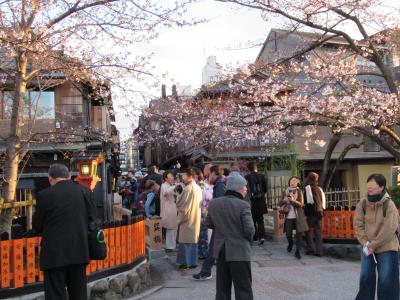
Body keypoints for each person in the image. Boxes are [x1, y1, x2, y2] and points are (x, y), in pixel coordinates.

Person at [32, 164, 93, 300]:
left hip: (54, 254)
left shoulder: (44, 195)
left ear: (50, 178)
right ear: (69, 176)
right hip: (79, 250)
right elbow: (91, 220)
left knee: (55, 295)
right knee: (79, 295)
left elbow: (37, 226)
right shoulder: (85, 192)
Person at [205, 173, 255, 300]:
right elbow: (249, 230)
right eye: (244, 186)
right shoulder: (243, 205)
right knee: (243, 288)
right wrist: (248, 241)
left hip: (221, 250)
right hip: (239, 251)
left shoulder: (214, 203)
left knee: (222, 289)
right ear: (237, 187)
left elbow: (208, 223)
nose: (246, 189)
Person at [354, 173, 399, 300]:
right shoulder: (362, 203)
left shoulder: (389, 205)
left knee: (387, 280)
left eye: (372, 187)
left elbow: (389, 229)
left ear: (381, 187)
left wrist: (374, 244)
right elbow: (358, 225)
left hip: (387, 247)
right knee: (366, 278)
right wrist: (366, 243)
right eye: (368, 186)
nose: (369, 189)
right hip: (367, 247)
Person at [193, 165, 226, 280]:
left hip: (221, 222)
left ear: (213, 173)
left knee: (214, 247)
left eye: (209, 174)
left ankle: (206, 272)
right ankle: (206, 271)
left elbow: (220, 205)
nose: (208, 177)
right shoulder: (221, 184)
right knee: (215, 247)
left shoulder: (220, 185)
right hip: (222, 222)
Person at [176, 168, 203, 269]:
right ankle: (193, 262)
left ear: (189, 176)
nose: (183, 177)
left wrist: (178, 196)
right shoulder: (197, 187)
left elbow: (182, 204)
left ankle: (186, 262)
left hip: (188, 217)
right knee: (192, 240)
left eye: (184, 175)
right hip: (196, 215)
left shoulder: (188, 189)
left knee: (186, 240)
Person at [278, 176, 308, 259]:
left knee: (299, 234)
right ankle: (290, 243)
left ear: (297, 182)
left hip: (298, 216)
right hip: (289, 216)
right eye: (292, 180)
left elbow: (301, 204)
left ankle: (297, 251)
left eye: (295, 181)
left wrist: (292, 201)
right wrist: (284, 200)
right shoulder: (286, 191)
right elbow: (279, 203)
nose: (293, 182)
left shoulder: (299, 191)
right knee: (288, 233)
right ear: (289, 182)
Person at [304, 172, 326, 257]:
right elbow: (322, 201)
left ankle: (311, 249)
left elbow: (307, 202)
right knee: (318, 232)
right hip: (320, 212)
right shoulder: (319, 188)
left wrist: (305, 213)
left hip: (311, 213)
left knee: (308, 230)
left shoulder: (308, 188)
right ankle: (319, 251)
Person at [245, 162, 267, 245]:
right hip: (261, 200)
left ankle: (254, 237)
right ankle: (262, 237)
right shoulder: (262, 176)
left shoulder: (247, 177)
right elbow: (265, 189)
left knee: (252, 220)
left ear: (249, 169)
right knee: (260, 220)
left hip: (251, 201)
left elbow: (246, 190)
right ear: (256, 168)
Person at [195, 168, 213, 259]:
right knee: (203, 234)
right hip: (203, 212)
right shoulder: (205, 186)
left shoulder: (199, 186)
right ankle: (203, 252)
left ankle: (204, 253)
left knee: (203, 234)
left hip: (202, 212)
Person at [160, 171, 178, 251]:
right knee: (170, 228)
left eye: (172, 176)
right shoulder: (163, 185)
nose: (172, 177)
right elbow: (166, 192)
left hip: (173, 208)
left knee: (173, 228)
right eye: (170, 176)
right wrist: (175, 186)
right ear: (166, 178)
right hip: (168, 209)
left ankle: (172, 245)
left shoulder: (172, 185)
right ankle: (170, 246)